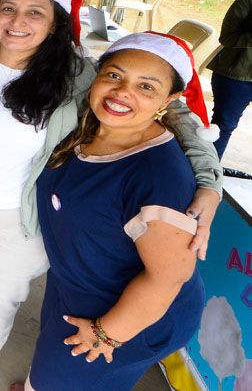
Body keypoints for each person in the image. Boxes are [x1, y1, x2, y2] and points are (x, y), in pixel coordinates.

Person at [0, 0, 223, 391]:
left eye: (35, 12)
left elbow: (176, 117)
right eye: (9, 8)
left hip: (22, 213)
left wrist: (210, 183)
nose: (17, 21)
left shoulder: (80, 75)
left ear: (56, 23)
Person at [22, 32, 210, 391]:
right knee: (54, 370)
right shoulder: (90, 124)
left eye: (146, 87)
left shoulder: (157, 176)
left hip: (127, 315)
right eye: (114, 75)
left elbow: (168, 277)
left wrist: (106, 335)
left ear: (169, 100)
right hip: (77, 285)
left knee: (61, 379)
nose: (123, 92)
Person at [208, 0, 252, 160]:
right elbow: (227, 38)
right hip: (236, 76)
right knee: (223, 125)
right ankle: (207, 175)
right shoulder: (248, 0)